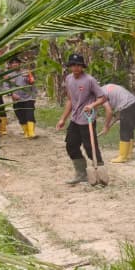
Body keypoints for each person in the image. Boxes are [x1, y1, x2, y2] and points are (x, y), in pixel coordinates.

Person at [56, 53, 105, 185]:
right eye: (73, 65)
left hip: (87, 119)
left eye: (78, 65)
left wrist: (92, 105)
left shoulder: (90, 80)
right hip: (75, 118)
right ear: (70, 66)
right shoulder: (68, 79)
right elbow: (70, 100)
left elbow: (102, 97)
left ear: (82, 66)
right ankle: (81, 173)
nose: (76, 67)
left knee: (91, 147)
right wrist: (63, 119)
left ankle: (100, 173)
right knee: (71, 145)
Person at [90, 81, 135, 162]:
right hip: (134, 104)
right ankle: (128, 154)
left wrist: (106, 126)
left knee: (124, 131)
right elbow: (119, 97)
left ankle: (122, 156)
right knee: (129, 130)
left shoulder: (100, 94)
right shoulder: (104, 88)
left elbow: (109, 112)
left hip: (127, 106)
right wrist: (120, 112)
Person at [6, 57, 38, 138]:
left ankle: (31, 133)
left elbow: (32, 84)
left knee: (30, 114)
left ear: (20, 64)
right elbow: (5, 87)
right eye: (13, 63)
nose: (15, 64)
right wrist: (11, 94)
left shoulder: (26, 72)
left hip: (28, 98)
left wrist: (34, 96)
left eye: (16, 62)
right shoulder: (8, 76)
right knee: (20, 116)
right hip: (16, 99)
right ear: (10, 65)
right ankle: (26, 132)